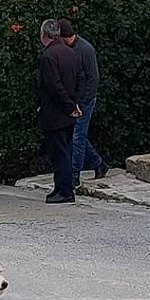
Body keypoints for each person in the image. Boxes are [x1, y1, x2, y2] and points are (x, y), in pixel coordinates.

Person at [58, 18, 108, 188]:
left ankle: (74, 175)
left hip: (85, 100)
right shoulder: (67, 49)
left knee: (77, 136)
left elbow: (93, 79)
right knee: (77, 135)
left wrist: (83, 102)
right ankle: (98, 163)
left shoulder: (85, 50)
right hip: (74, 100)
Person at [37, 19, 83, 204]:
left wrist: (69, 106)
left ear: (44, 34)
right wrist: (75, 104)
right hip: (69, 111)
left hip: (55, 113)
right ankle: (61, 187)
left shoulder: (49, 56)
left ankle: (65, 190)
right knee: (66, 150)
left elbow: (54, 87)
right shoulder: (69, 52)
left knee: (59, 153)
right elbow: (80, 79)